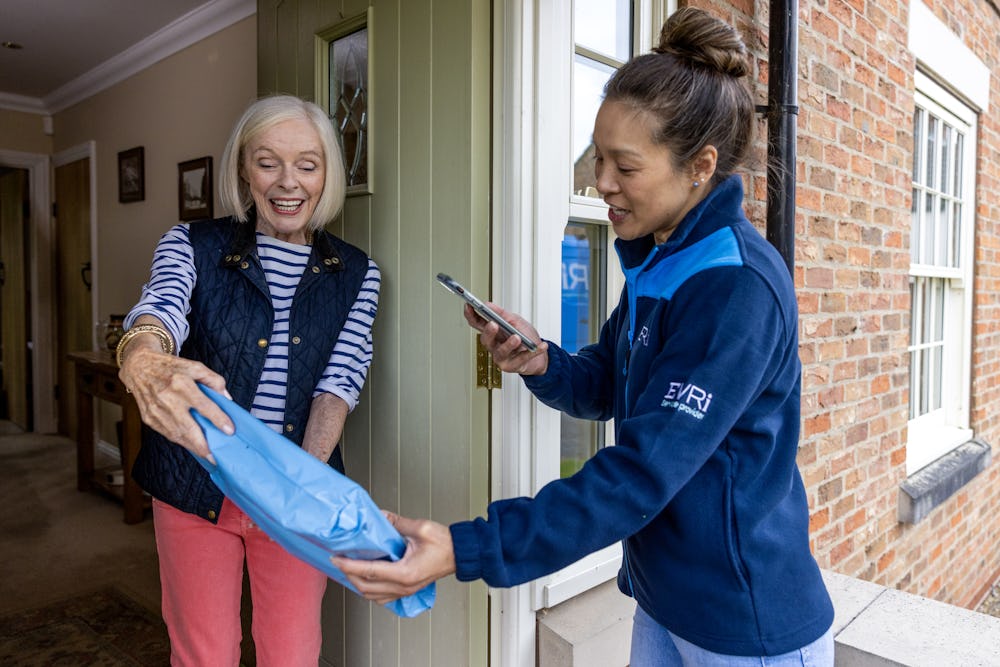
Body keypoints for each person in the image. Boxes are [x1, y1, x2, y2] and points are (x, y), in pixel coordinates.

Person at [334, 8, 833, 666]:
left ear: (700, 166)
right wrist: (541, 360)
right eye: (598, 157)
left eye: (624, 166)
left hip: (745, 625)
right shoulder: (661, 256)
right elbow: (609, 382)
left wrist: (466, 547)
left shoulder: (734, 287)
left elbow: (639, 473)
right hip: (663, 600)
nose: (600, 182)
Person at [116, 94, 381, 666]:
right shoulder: (191, 244)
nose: (289, 182)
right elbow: (160, 307)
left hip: (296, 486)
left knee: (292, 653)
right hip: (195, 483)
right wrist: (142, 355)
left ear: (326, 174)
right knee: (203, 654)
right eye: (268, 162)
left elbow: (338, 384)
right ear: (243, 168)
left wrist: (300, 487)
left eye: (307, 165)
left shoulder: (357, 273)